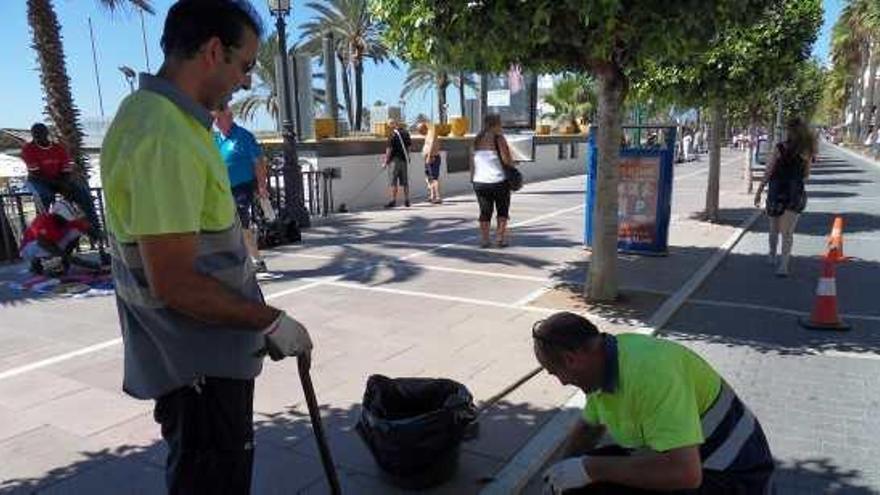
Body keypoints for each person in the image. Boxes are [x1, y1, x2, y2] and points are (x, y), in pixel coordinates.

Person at [100, 1, 313, 493]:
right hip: (198, 369)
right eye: (245, 66)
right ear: (214, 51)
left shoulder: (163, 121)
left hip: (202, 361)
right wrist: (270, 321)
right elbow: (174, 282)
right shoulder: (163, 135)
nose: (246, 82)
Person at [535, 312, 774, 494]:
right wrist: (559, 474)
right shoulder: (604, 362)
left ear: (571, 359)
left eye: (555, 372)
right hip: (692, 460)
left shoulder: (650, 374)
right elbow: (588, 428)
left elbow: (685, 474)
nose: (562, 382)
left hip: (734, 476)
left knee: (594, 476)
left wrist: (589, 469)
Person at [213, 101, 269, 272]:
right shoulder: (215, 139)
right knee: (227, 224)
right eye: (214, 119)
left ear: (229, 117)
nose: (216, 122)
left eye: (218, 118)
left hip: (242, 187)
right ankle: (242, 258)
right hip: (223, 189)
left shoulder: (244, 136)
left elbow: (258, 162)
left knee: (240, 221)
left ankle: (256, 260)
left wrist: (262, 186)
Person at [21, 123, 103, 240]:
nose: (38, 136)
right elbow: (36, 173)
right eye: (35, 134)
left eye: (40, 133)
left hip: (59, 179)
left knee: (82, 193)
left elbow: (66, 170)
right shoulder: (28, 149)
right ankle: (44, 230)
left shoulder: (58, 148)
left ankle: (95, 228)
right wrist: (60, 185)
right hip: (38, 180)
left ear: (46, 133)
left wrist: (65, 184)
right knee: (46, 196)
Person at [754, 118, 813, 277]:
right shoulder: (806, 151)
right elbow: (807, 175)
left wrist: (759, 191)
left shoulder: (779, 148)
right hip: (795, 192)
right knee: (788, 232)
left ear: (789, 132)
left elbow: (768, 171)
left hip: (777, 190)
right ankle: (784, 265)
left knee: (774, 227)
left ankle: (772, 255)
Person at [471, 114, 514, 248]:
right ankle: (500, 239)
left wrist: (472, 178)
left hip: (479, 182)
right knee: (502, 210)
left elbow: (471, 161)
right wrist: (514, 163)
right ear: (496, 124)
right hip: (498, 180)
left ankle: (485, 240)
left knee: (485, 211)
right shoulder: (499, 139)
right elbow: (507, 160)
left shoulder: (476, 140)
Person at [19, 198, 90, 276]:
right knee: (43, 245)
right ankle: (36, 263)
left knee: (76, 232)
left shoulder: (69, 221)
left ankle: (62, 263)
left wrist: (100, 242)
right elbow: (43, 243)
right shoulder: (43, 220)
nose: (66, 221)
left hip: (52, 244)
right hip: (30, 248)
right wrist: (70, 259)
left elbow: (86, 227)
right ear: (57, 215)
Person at [383, 118, 412, 208]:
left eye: (389, 125)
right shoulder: (406, 133)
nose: (388, 127)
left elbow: (389, 149)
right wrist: (408, 157)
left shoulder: (392, 134)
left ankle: (393, 200)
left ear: (391, 125)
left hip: (394, 161)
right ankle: (407, 200)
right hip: (404, 161)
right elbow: (409, 147)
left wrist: (385, 162)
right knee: (405, 181)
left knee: (393, 181)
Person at [422, 125, 443, 204]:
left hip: (432, 157)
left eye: (421, 130)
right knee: (429, 178)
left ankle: (438, 197)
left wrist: (430, 156)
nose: (420, 132)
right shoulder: (429, 133)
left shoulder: (432, 133)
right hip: (429, 157)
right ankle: (432, 195)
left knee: (434, 178)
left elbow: (432, 145)